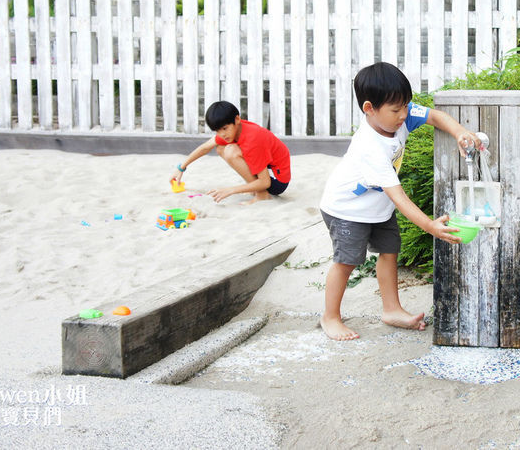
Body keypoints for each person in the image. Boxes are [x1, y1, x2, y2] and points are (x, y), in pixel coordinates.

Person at [319, 62, 481, 340]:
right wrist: (431, 226)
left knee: (389, 251)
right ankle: (330, 316)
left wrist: (459, 133)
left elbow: (435, 116)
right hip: (346, 209)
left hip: (378, 207)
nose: (404, 115)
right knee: (347, 261)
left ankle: (391, 309)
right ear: (369, 108)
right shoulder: (369, 147)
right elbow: (399, 196)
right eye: (396, 110)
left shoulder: (399, 116)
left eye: (406, 106)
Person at [170, 101, 291, 203]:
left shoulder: (253, 139)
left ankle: (261, 195)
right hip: (266, 170)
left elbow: (265, 182)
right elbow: (206, 147)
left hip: (277, 181)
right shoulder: (234, 131)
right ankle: (255, 188)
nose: (222, 134)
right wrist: (181, 168)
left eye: (224, 128)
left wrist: (230, 190)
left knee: (230, 151)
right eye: (217, 130)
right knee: (220, 148)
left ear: (237, 119)